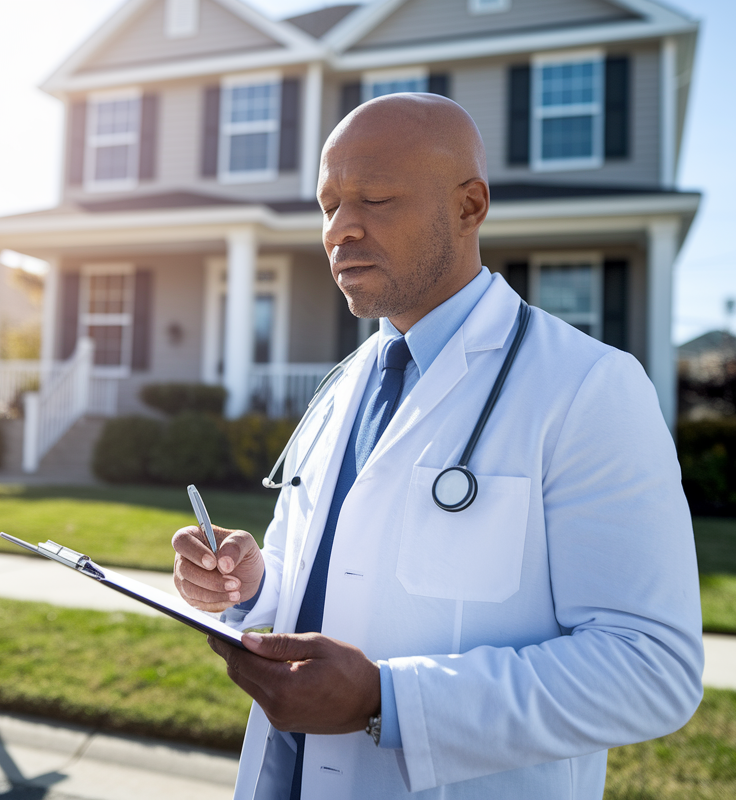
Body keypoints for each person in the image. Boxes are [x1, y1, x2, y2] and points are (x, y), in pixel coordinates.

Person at [172, 93, 703, 800]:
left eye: (377, 199)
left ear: (470, 205)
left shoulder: (590, 387)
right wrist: (252, 581)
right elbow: (332, 581)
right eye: (328, 205)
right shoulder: (344, 384)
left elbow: (650, 671)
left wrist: (386, 701)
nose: (340, 231)